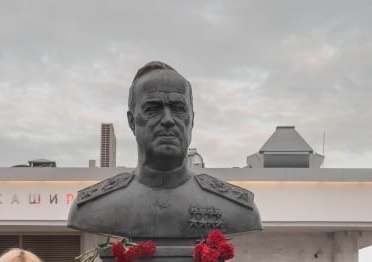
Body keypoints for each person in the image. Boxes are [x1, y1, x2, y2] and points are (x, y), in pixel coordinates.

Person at [67, 61, 261, 240]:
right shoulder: (92, 208)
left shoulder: (237, 209)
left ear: (191, 119)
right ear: (132, 121)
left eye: (178, 108)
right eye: (153, 108)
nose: (168, 119)